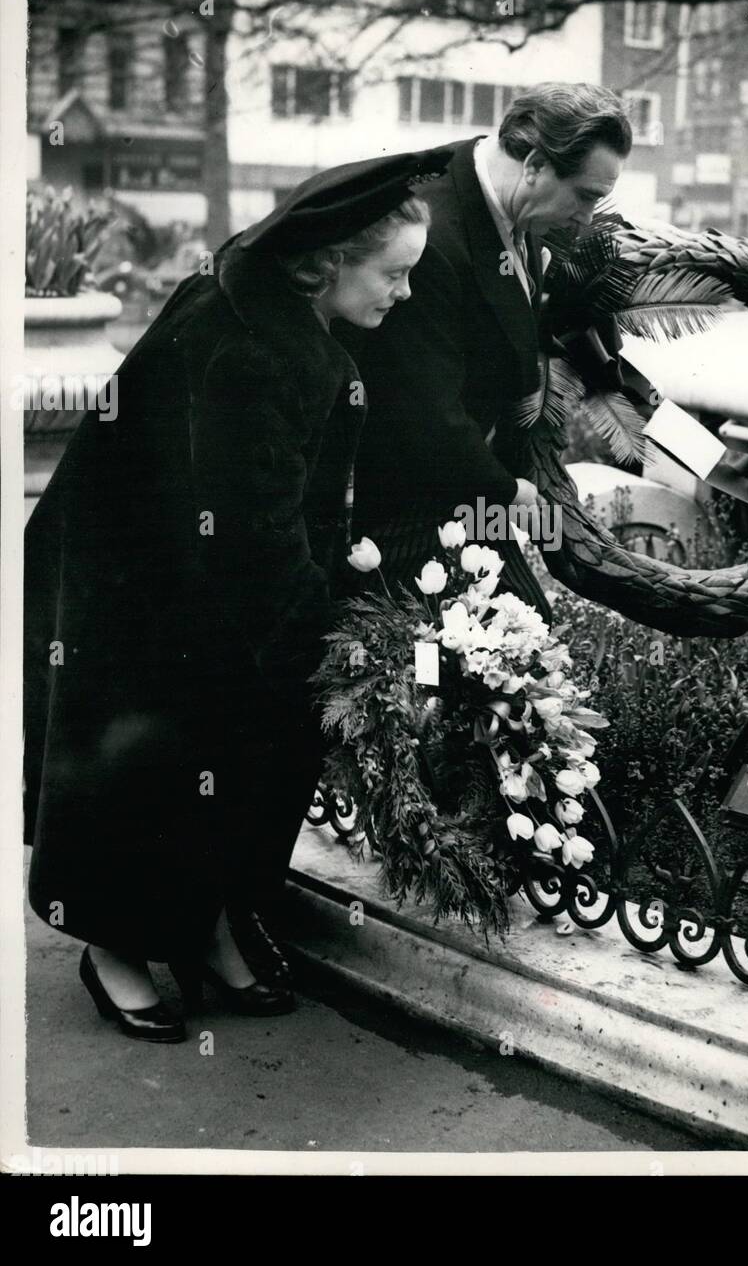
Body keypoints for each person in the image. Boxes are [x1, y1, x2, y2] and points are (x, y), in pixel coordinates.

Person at [23, 148, 450, 1043]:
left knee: (244, 751)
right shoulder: (248, 349)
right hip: (134, 588)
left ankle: (209, 918)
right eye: (396, 274)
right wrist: (338, 644)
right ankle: (115, 947)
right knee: (150, 762)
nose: (405, 295)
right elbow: (249, 533)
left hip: (199, 572)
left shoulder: (281, 307)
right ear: (329, 262)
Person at [340, 82, 632, 612]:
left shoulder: (515, 205)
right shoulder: (435, 235)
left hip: (461, 492)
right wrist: (509, 494)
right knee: (513, 665)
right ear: (536, 164)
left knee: (525, 662)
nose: (589, 218)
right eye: (587, 196)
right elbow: (422, 416)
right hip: (411, 512)